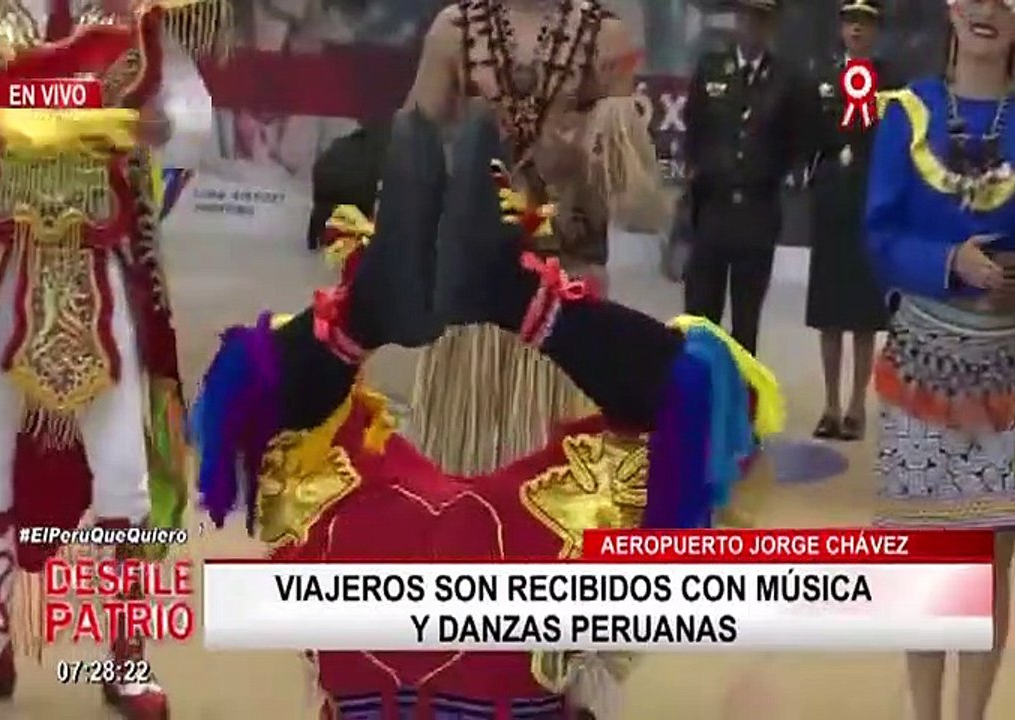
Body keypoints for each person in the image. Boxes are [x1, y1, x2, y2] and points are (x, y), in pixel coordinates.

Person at [194, 105, 782, 718]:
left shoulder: (335, 527)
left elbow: (240, 401)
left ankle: (368, 314)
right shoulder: (569, 559)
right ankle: (515, 302)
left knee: (271, 423)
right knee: (704, 412)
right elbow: (718, 406)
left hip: (368, 588)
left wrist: (358, 318)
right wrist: (533, 304)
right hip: (515, 615)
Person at [0, 1, 225, 715]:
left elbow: (189, 121)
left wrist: (147, 128)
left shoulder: (135, 19)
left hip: (96, 268)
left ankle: (126, 655)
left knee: (122, 467)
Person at [403, 0, 670, 474]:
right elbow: (415, 143)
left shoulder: (605, 37)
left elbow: (634, 193)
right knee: (462, 465)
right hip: (473, 287)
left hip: (567, 284)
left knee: (562, 472)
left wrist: (596, 139)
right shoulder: (454, 29)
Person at [866, 1, 1015, 718]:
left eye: (1005, 0)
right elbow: (878, 235)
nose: (988, 10)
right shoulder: (909, 112)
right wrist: (949, 260)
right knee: (925, 559)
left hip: (1006, 373)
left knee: (988, 561)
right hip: (922, 368)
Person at [681, 0, 811, 355]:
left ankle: (740, 387)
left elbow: (798, 139)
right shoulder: (711, 68)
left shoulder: (787, 79)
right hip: (713, 208)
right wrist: (696, 174)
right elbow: (694, 127)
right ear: (737, 20)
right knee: (700, 315)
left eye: (761, 18)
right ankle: (699, 384)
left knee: (746, 319)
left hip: (757, 212)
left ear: (772, 25)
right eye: (746, 17)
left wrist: (774, 172)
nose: (752, 25)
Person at [805, 0, 893, 441]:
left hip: (870, 202)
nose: (857, 30)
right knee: (828, 312)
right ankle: (830, 405)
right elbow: (807, 136)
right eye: (851, 21)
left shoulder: (891, 82)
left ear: (877, 30)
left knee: (862, 312)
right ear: (841, 28)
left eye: (866, 22)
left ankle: (857, 404)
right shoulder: (821, 77)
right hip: (832, 204)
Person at [306, 117, 393, 250]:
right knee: (363, 209)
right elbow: (380, 171)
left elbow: (322, 162)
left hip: (327, 179)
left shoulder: (341, 143)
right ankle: (361, 242)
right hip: (354, 187)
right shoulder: (375, 148)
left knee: (322, 207)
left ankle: (314, 239)